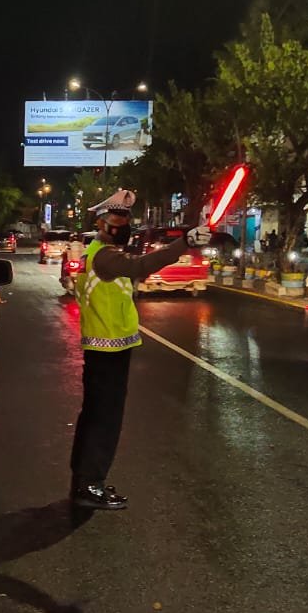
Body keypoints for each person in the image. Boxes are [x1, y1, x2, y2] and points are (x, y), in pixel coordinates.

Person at [69, 189, 190, 510]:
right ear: (101, 223)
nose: (123, 225)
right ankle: (89, 485)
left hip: (107, 349)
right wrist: (184, 244)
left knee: (95, 416)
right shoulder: (105, 256)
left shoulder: (102, 252)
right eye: (116, 219)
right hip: (106, 351)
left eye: (126, 219)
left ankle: (84, 480)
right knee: (104, 420)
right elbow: (141, 266)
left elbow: (136, 269)